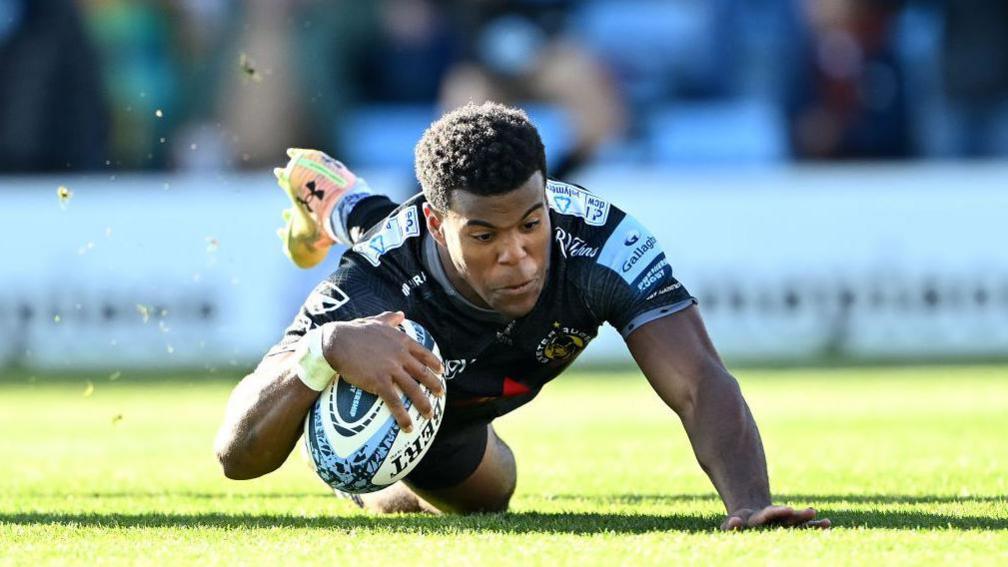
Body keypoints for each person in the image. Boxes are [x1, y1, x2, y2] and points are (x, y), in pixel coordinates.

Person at [214, 102, 831, 530]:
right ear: (438, 221)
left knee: (494, 492)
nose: (518, 256)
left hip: (461, 388)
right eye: (485, 235)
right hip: (409, 369)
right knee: (420, 481)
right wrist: (322, 351)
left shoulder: (604, 246)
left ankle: (340, 199)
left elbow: (699, 382)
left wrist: (750, 504)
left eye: (532, 223)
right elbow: (235, 456)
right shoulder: (371, 282)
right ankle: (340, 205)